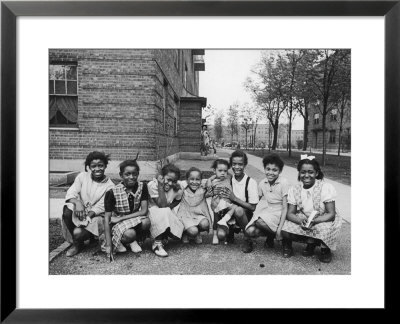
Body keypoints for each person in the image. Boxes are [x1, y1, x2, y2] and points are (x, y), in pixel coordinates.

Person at [281, 155, 342, 263]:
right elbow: (290, 213)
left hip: (323, 217)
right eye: (303, 172)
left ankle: (324, 249)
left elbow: (331, 214)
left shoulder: (325, 188)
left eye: (310, 172)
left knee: (325, 229)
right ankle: (302, 244)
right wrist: (300, 221)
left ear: (316, 173)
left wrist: (315, 221)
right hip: (303, 217)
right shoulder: (294, 189)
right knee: (284, 227)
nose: (306, 175)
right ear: (299, 173)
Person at [61, 151, 115, 257]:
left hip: (95, 216)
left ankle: (88, 237)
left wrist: (88, 216)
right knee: (67, 209)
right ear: (89, 167)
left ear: (105, 166)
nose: (97, 169)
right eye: (93, 166)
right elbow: (71, 192)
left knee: (78, 233)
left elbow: (101, 206)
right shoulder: (82, 177)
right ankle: (77, 244)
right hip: (79, 211)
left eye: (100, 165)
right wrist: (77, 203)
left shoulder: (110, 186)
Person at [103, 160, 150, 261]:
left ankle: (135, 240)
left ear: (138, 174)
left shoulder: (143, 187)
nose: (131, 177)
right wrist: (108, 244)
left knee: (146, 222)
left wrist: (122, 218)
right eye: (127, 174)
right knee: (130, 234)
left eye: (134, 174)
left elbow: (144, 211)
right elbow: (107, 218)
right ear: (121, 175)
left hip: (132, 218)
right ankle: (126, 240)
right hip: (118, 222)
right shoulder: (112, 192)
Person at [214, 150, 259, 253]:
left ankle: (248, 239)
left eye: (240, 164)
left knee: (238, 210)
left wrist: (235, 199)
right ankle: (230, 232)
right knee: (221, 235)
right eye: (234, 164)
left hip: (245, 214)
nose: (237, 167)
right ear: (231, 165)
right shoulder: (229, 178)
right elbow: (215, 177)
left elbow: (253, 207)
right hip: (229, 212)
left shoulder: (250, 182)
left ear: (245, 165)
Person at [245, 154, 289, 249]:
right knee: (250, 231)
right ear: (264, 169)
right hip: (269, 210)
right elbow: (255, 202)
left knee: (260, 222)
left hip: (280, 211)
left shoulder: (284, 182)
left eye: (274, 170)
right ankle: (270, 235)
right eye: (268, 169)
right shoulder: (262, 183)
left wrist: (279, 229)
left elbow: (285, 207)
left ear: (280, 171)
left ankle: (280, 236)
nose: (271, 173)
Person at [147, 164, 184, 257]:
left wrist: (170, 207)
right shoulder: (153, 185)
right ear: (161, 177)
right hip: (152, 212)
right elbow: (162, 205)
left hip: (165, 211)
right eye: (168, 180)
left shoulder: (177, 187)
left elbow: (177, 200)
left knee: (171, 218)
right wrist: (160, 185)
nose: (171, 183)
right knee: (163, 211)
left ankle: (164, 236)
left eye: (174, 181)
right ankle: (157, 243)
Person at [206, 159, 237, 245]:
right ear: (214, 170)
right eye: (220, 171)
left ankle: (228, 232)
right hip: (217, 203)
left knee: (234, 209)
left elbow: (232, 176)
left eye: (225, 171)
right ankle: (215, 235)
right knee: (216, 219)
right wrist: (209, 180)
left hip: (228, 203)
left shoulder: (229, 177)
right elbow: (207, 193)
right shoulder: (212, 181)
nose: (223, 173)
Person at [178, 167, 212, 244]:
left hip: (197, 215)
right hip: (185, 216)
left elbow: (215, 177)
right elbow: (177, 182)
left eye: (197, 179)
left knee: (205, 224)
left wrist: (209, 180)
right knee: (193, 231)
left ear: (201, 180)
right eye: (192, 179)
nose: (194, 182)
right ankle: (185, 233)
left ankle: (198, 233)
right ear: (187, 180)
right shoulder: (183, 188)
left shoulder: (202, 189)